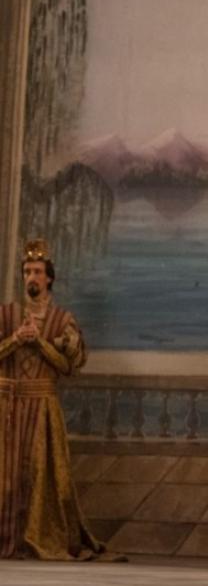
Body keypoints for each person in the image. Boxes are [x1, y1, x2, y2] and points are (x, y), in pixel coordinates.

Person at [0, 239, 113, 560]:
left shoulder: (62, 320)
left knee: (40, 477)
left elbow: (68, 367)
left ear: (49, 278)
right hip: (5, 406)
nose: (31, 277)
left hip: (41, 408)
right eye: (27, 271)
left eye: (37, 271)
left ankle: (35, 538)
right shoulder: (6, 315)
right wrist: (14, 339)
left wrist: (40, 343)